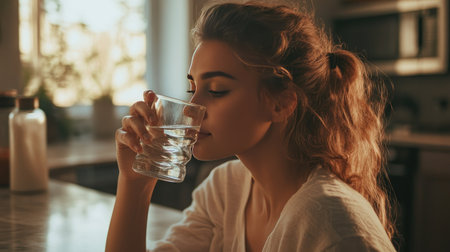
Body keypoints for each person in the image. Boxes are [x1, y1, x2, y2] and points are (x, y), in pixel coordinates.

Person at [106, 1, 397, 251]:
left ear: (281, 103)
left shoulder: (331, 226)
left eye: (217, 89)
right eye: (192, 88)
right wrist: (134, 184)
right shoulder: (225, 189)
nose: (193, 110)